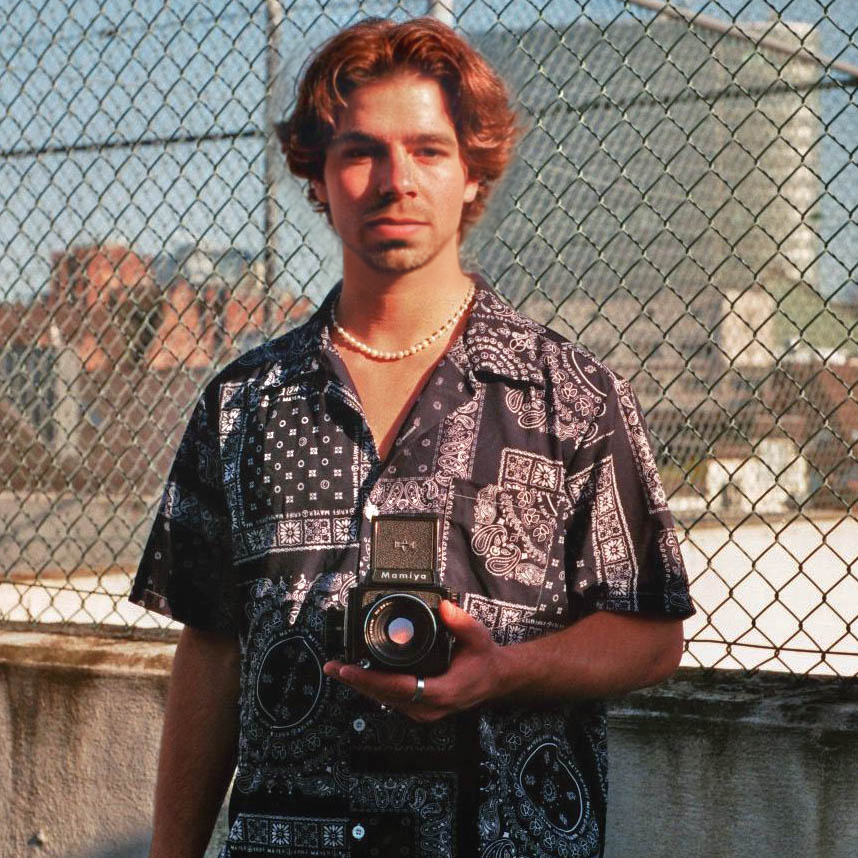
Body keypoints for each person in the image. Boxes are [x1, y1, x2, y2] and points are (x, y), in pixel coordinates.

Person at [130, 16, 694, 858]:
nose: (396, 181)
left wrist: (504, 671)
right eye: (361, 152)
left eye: (428, 151)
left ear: (472, 173)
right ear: (318, 176)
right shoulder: (243, 404)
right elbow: (210, 648)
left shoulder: (572, 396)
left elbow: (650, 634)